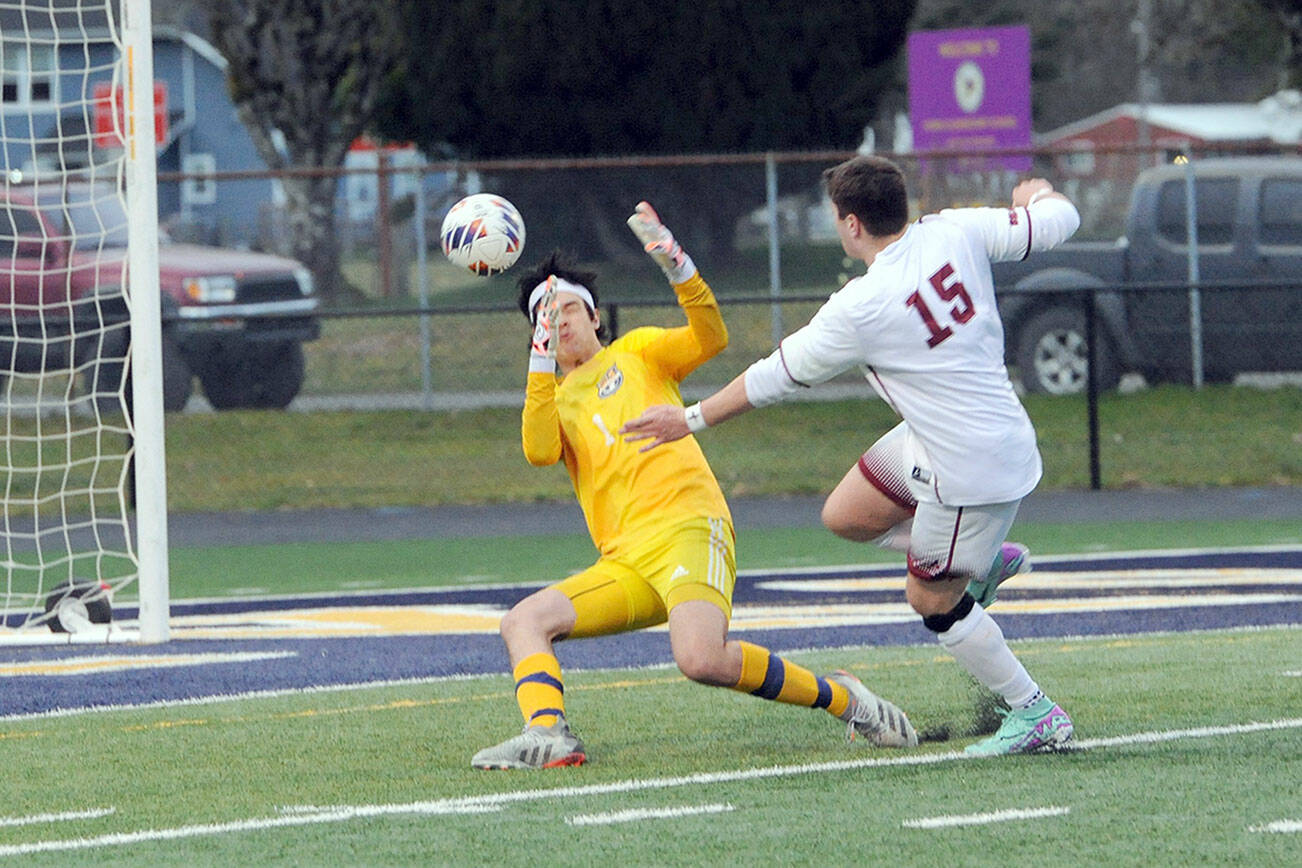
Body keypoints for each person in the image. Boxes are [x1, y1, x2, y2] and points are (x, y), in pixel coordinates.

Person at [621, 157, 1079, 756]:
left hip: (971, 468)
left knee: (931, 600)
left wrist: (687, 420)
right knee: (846, 515)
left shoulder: (860, 306)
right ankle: (982, 560)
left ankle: (1036, 712)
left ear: (852, 224)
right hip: (946, 439)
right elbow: (1057, 219)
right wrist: (1039, 194)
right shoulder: (952, 229)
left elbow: (773, 377)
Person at [471, 202, 918, 770]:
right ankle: (549, 734)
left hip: (688, 528)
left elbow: (711, 336)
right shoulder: (553, 400)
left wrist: (674, 260)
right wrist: (538, 360)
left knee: (702, 659)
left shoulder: (635, 354)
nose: (557, 321)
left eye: (564, 308)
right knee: (523, 621)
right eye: (543, 316)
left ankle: (845, 699)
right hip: (627, 561)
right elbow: (537, 451)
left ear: (592, 316)